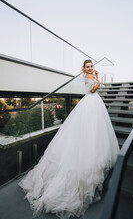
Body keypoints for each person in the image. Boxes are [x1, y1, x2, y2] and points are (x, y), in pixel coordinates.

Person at [18, 59, 120, 219]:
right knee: (87, 131)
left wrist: (97, 77)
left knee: (93, 131)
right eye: (88, 67)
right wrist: (98, 77)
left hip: (93, 105)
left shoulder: (89, 75)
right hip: (91, 102)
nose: (90, 68)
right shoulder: (88, 77)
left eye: (91, 66)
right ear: (84, 68)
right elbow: (94, 90)